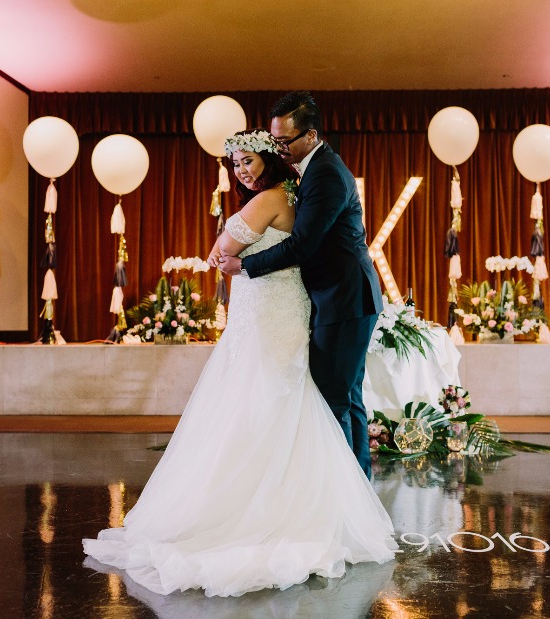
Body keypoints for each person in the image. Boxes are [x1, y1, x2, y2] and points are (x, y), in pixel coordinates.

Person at [82, 129, 397, 598]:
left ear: (270, 159)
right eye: (234, 165)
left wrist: (227, 252)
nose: (240, 170)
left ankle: (261, 509)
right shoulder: (289, 194)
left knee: (260, 402)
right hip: (280, 311)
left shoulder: (269, 198)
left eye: (247, 160)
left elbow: (225, 250)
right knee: (295, 402)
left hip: (270, 317)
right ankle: (334, 501)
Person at [218, 91, 383, 478]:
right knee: (346, 397)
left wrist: (244, 265)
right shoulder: (310, 169)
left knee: (333, 401)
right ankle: (357, 487)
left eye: (282, 142)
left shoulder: (324, 172)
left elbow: (303, 244)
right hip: (340, 297)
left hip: (343, 299)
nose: (278, 149)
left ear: (310, 135)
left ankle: (346, 492)